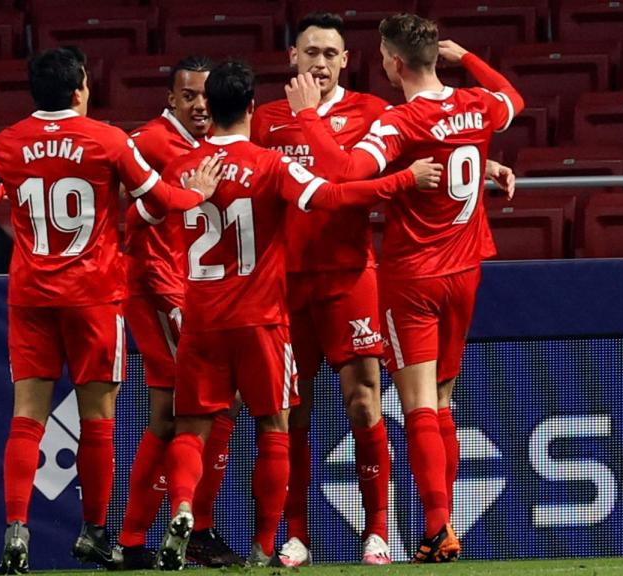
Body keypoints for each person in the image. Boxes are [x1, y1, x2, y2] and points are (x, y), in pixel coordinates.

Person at [146, 60, 442, 570]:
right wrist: (403, 181)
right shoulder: (267, 161)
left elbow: (141, 214)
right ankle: (269, 545)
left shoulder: (183, 168)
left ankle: (183, 510)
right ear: (254, 109)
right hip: (264, 314)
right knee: (275, 423)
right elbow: (331, 195)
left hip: (207, 317)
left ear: (207, 108)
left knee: (193, 424)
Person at [0, 47, 211, 575]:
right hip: (93, 296)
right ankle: (94, 533)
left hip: (30, 300)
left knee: (27, 418)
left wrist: (5, 189)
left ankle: (17, 530)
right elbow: (159, 198)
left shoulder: (8, 142)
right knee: (98, 420)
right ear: (80, 90)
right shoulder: (107, 140)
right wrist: (197, 194)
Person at [284, 14, 523, 562]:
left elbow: (344, 172)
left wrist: (307, 119)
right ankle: (444, 522)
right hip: (467, 272)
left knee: (416, 404)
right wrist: (468, 62)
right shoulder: (477, 104)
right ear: (436, 57)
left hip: (413, 277)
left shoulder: (398, 122)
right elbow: (513, 98)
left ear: (391, 62)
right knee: (442, 401)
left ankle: (437, 527)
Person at [251, 12, 393, 566]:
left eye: (331, 54)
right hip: (283, 283)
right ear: (292, 57)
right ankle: (296, 534)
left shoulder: (371, 112)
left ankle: (376, 530)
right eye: (311, 52)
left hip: (350, 276)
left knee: (363, 403)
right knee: (294, 411)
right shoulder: (265, 120)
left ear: (345, 61)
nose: (320, 62)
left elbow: (374, 171)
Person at [117, 55, 244, 569]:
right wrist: (171, 300)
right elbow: (129, 218)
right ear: (171, 98)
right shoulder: (149, 142)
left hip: (193, 295)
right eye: (188, 96)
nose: (199, 105)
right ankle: (182, 533)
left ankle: (140, 540)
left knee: (178, 417)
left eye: (206, 97)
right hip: (159, 293)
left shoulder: (209, 144)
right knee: (195, 415)